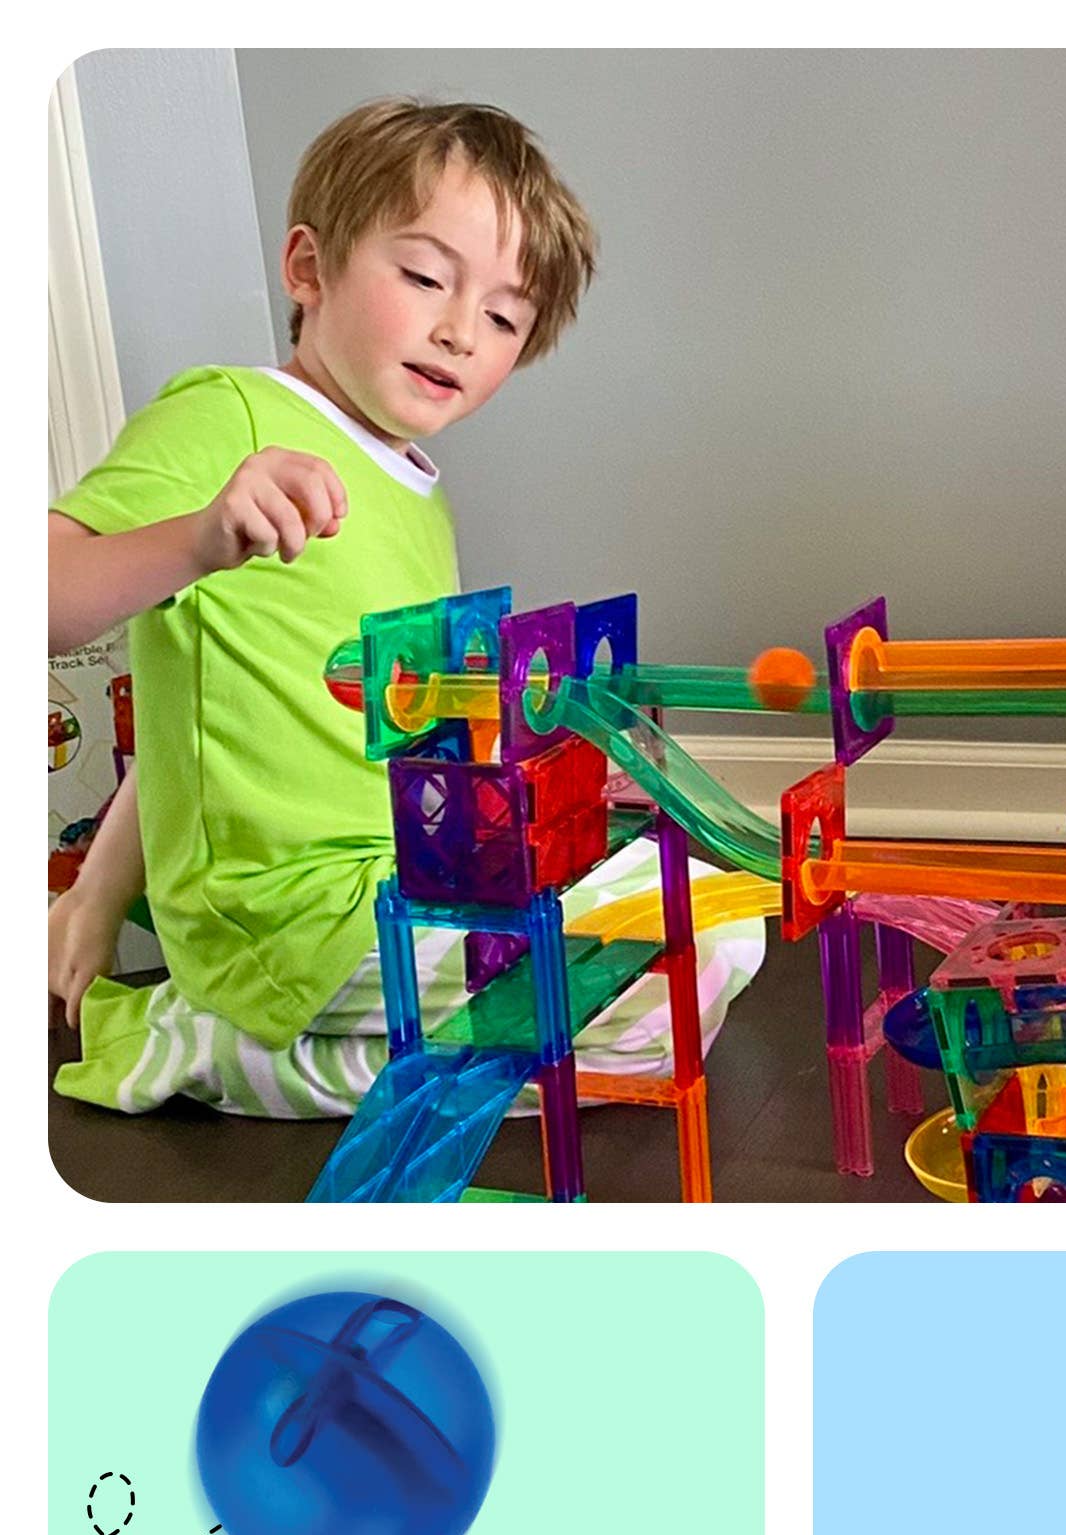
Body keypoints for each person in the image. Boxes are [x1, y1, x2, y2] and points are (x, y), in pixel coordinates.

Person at [49, 96, 763, 1118]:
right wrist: (198, 538)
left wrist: (93, 893)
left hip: (405, 877)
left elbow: (191, 707)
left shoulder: (415, 489)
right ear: (308, 269)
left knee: (714, 918)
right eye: (425, 276)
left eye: (505, 315)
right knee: (679, 973)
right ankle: (221, 1047)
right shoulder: (227, 414)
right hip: (296, 917)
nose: (459, 329)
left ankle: (342, 1031)